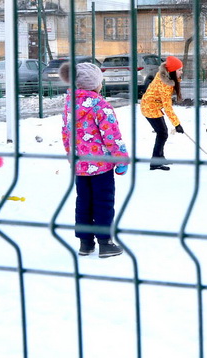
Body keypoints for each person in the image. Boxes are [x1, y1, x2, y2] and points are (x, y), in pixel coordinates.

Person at [59, 62, 129, 257]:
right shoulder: (100, 104)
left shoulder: (70, 103)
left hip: (80, 165)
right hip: (101, 167)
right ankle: (105, 242)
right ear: (95, 84)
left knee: (83, 202)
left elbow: (66, 133)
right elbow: (112, 135)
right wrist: (121, 160)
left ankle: (85, 242)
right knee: (103, 202)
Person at [140, 56, 184, 171]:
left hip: (152, 106)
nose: (181, 72)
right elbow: (167, 107)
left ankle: (160, 158)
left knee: (162, 132)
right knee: (162, 133)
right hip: (149, 107)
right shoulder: (165, 84)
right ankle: (155, 162)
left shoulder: (165, 76)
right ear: (172, 70)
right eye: (179, 70)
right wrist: (177, 124)